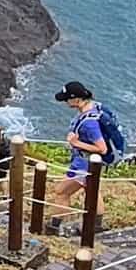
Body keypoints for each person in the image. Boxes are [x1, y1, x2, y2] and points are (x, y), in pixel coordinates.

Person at [54, 80, 108, 227]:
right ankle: (96, 227)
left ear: (76, 99)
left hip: (83, 165)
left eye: (67, 99)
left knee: (61, 192)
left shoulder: (89, 123)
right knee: (92, 191)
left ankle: (55, 227)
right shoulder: (94, 108)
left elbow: (102, 148)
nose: (65, 102)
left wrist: (76, 143)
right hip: (91, 164)